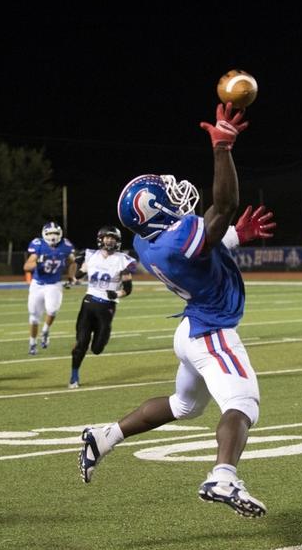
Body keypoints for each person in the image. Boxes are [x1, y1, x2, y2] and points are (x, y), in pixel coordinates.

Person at [78, 102, 276, 518]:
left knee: (185, 406)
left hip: (190, 331)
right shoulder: (174, 240)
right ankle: (223, 477)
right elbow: (223, 206)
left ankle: (106, 435)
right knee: (243, 403)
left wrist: (235, 236)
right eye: (165, 194)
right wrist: (222, 148)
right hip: (211, 331)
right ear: (155, 210)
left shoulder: (146, 242)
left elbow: (207, 244)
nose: (174, 194)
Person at [68, 225, 137, 389]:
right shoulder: (90, 255)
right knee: (81, 343)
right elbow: (78, 275)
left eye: (113, 238)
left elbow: (127, 289)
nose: (110, 241)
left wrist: (116, 294)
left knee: (97, 348)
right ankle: (74, 376)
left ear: (117, 241)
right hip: (89, 303)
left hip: (107, 307)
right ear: (101, 239)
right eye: (107, 237)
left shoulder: (123, 260)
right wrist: (78, 270)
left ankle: (95, 345)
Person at [23, 221, 76, 355]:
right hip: (38, 284)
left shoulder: (65, 246)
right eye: (50, 233)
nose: (53, 236)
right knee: (34, 317)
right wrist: (38, 261)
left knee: (52, 310)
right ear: (44, 234)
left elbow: (73, 262)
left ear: (60, 234)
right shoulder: (38, 245)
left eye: (55, 233)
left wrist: (71, 276)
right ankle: (32, 343)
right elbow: (27, 267)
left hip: (54, 284)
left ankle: (46, 330)